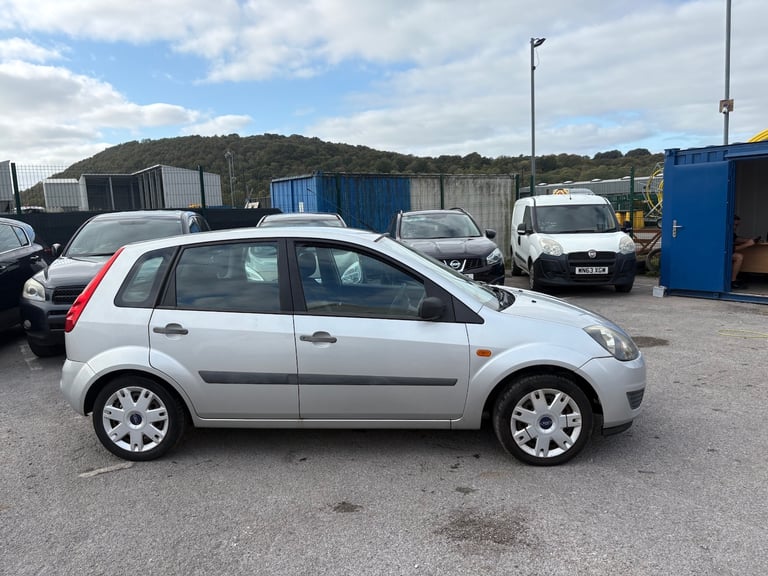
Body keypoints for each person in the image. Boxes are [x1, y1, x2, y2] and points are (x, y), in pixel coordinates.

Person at [731, 215, 759, 289]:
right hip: (718, 254)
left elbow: (736, 239)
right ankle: (732, 281)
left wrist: (749, 240)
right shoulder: (724, 232)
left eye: (737, 225)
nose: (735, 227)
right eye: (735, 225)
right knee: (738, 257)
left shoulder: (731, 232)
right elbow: (732, 249)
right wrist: (748, 244)